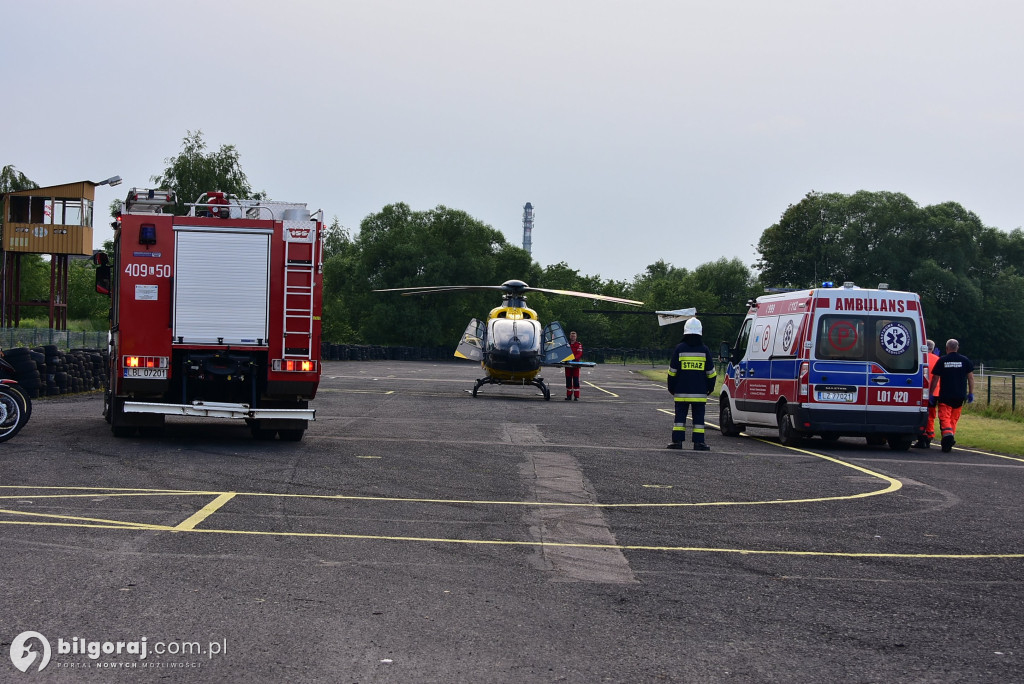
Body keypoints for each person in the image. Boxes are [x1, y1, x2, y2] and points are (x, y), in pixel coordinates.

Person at [666, 317, 717, 451]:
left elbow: (672, 372)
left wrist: (671, 387)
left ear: (685, 332)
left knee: (679, 419)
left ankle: (677, 442)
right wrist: (710, 388)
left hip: (681, 392)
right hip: (700, 393)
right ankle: (699, 443)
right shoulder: (704, 350)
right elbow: (711, 373)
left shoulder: (679, 349)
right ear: (700, 332)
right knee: (699, 420)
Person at [929, 338, 975, 453]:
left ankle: (948, 435)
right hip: (960, 395)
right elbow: (971, 377)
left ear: (947, 348)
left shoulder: (942, 360)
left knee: (945, 418)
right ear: (957, 348)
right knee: (954, 419)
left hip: (945, 395)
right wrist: (971, 393)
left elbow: (935, 378)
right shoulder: (965, 360)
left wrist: (930, 393)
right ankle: (949, 439)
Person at [914, 339, 942, 449]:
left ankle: (923, 436)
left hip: (922, 392)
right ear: (933, 349)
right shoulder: (938, 359)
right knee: (931, 415)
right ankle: (929, 435)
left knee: (921, 415)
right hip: (935, 392)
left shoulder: (921, 358)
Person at [564, 331, 583, 401]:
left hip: (575, 365)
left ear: (576, 337)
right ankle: (568, 396)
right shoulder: (567, 344)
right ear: (570, 336)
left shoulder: (578, 345)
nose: (573, 337)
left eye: (574, 336)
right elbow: (564, 352)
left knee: (576, 381)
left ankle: (576, 396)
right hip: (568, 365)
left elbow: (579, 353)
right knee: (568, 380)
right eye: (572, 336)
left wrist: (573, 359)